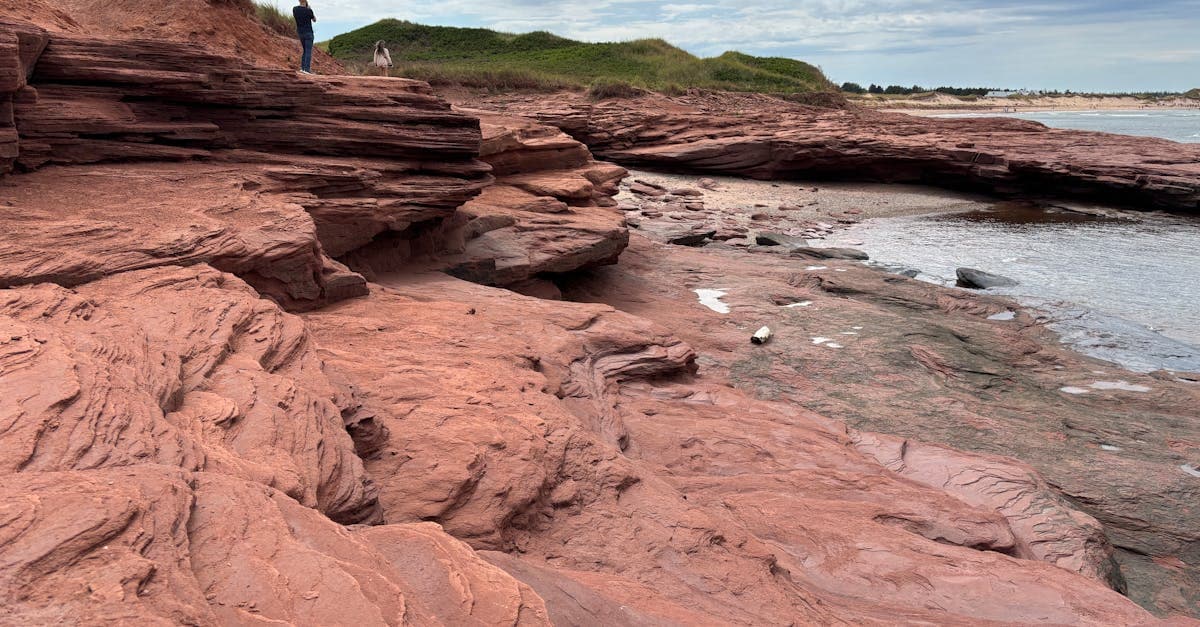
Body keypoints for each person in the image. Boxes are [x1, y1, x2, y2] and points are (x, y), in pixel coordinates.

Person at [293, 0, 316, 75]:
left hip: (300, 32)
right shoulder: (309, 10)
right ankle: (307, 69)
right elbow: (314, 20)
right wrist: (309, 9)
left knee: (305, 50)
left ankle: (303, 68)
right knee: (308, 51)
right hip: (308, 32)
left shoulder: (295, 9)